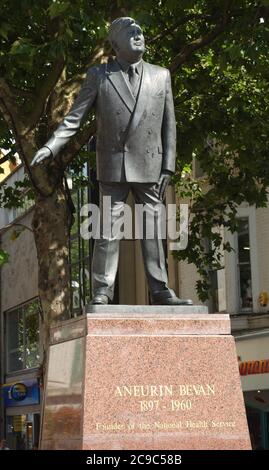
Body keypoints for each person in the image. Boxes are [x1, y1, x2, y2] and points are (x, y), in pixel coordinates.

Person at [31, 17, 193, 306]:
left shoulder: (161, 75)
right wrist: (51, 147)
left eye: (140, 32)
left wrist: (168, 164)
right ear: (116, 44)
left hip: (150, 165)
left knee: (153, 230)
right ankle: (103, 290)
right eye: (131, 33)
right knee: (106, 230)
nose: (138, 36)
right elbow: (74, 118)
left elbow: (170, 124)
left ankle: (160, 289)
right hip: (113, 165)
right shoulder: (99, 75)